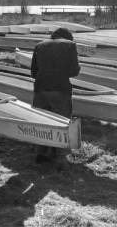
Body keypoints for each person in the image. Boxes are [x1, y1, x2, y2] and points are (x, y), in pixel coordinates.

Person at [30, 27, 80, 163]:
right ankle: (61, 157)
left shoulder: (39, 45)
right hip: (60, 89)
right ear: (68, 37)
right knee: (62, 122)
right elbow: (74, 71)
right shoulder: (70, 45)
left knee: (41, 121)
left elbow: (33, 72)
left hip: (40, 89)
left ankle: (41, 153)